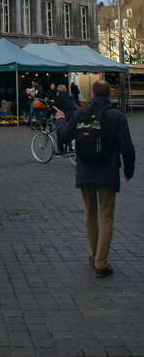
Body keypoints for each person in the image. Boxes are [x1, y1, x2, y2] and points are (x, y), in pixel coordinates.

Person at [55, 80, 135, 278]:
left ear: (92, 95)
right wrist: (128, 170)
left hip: (85, 171)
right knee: (106, 217)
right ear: (109, 95)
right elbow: (127, 147)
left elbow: (63, 137)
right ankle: (101, 262)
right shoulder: (117, 116)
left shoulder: (81, 114)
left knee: (90, 213)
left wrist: (60, 119)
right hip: (107, 171)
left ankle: (93, 253)